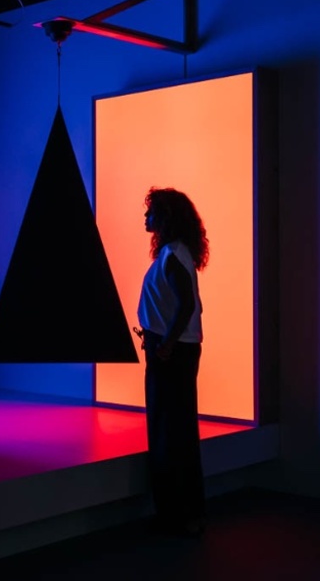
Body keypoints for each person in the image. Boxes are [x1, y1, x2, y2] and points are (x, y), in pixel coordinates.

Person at [136, 186, 209, 537]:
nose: (146, 218)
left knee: (169, 432)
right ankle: (184, 514)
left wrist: (164, 344)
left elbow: (187, 306)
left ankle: (175, 516)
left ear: (166, 218)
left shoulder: (172, 257)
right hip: (176, 351)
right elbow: (186, 305)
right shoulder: (175, 254)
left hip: (172, 355)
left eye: (151, 212)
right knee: (176, 430)